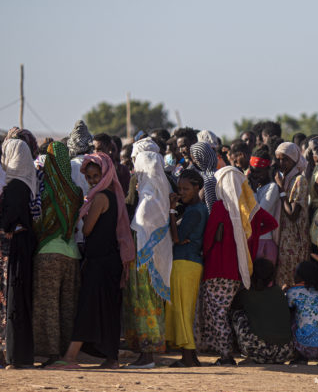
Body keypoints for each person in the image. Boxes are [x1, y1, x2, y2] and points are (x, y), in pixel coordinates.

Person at [51, 152, 134, 369]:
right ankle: (111, 359)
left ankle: (70, 357)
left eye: (96, 176)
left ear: (105, 174)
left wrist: (84, 214)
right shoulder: (113, 195)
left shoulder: (98, 198)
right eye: (89, 177)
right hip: (108, 261)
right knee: (107, 310)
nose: (92, 181)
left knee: (87, 308)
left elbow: (87, 230)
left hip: (101, 263)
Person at [196, 166, 260, 365]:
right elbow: (269, 224)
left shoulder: (219, 207)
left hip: (216, 269)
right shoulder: (247, 209)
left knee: (217, 314)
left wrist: (204, 255)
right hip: (236, 270)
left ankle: (226, 355)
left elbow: (208, 239)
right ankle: (228, 351)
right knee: (224, 313)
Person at [31, 141, 83, 367]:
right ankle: (66, 351)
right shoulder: (76, 191)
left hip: (48, 253)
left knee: (47, 304)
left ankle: (50, 353)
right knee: (68, 305)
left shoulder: (45, 189)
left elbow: (39, 222)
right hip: (72, 253)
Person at [124, 148, 173, 369]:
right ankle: (147, 353)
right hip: (151, 264)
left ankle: (147, 355)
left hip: (145, 266)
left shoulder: (147, 200)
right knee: (149, 306)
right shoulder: (158, 195)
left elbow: (140, 229)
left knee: (145, 306)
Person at [0, 139, 38, 368]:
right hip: (23, 245)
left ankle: (14, 356)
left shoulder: (15, 187)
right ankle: (19, 354)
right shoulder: (27, 183)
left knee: (13, 298)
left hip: (14, 249)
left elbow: (7, 222)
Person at [166, 169, 208, 367]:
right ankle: (190, 356)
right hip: (187, 262)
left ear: (197, 188)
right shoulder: (197, 209)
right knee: (185, 310)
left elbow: (177, 238)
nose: (181, 192)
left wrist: (172, 210)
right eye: (179, 188)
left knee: (183, 311)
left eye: (186, 189)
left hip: (185, 263)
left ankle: (188, 356)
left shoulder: (195, 211)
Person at [231, 259, 295, 364]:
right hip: (284, 352)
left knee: (237, 314)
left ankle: (244, 353)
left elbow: (233, 307)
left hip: (259, 352)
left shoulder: (245, 293)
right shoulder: (278, 291)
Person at [286, 261, 318, 363]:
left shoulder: (293, 291)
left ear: (299, 275)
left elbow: (286, 309)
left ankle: (300, 357)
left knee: (291, 317)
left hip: (306, 348)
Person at [274, 142, 309, 288]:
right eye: (279, 159)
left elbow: (293, 214)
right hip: (283, 239)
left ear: (294, 159)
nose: (281, 163)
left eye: (285, 159)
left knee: (293, 282)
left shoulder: (299, 181)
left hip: (295, 240)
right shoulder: (285, 179)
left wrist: (281, 190)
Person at [248, 147, 281, 266]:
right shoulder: (256, 188)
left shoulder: (272, 187)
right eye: (253, 171)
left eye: (259, 171)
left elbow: (259, 214)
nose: (256, 175)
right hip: (252, 240)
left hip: (265, 241)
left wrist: (253, 191)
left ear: (268, 170)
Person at [189, 142, 218, 212]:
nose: (193, 162)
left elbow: (206, 206)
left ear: (202, 158)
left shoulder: (208, 179)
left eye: (195, 159)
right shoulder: (218, 173)